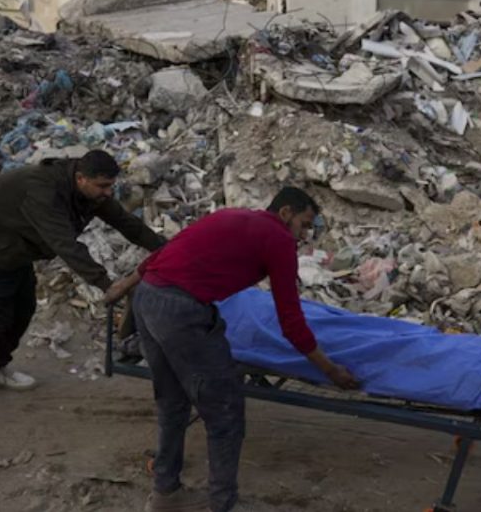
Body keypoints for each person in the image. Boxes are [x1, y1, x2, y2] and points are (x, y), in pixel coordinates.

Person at [104, 186, 358, 512]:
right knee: (224, 414)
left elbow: (163, 253)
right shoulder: (279, 239)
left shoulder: (230, 215)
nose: (305, 234)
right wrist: (330, 369)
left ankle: (165, 493)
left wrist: (122, 287)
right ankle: (223, 505)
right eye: (305, 224)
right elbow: (291, 320)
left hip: (148, 298)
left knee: (172, 402)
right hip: (181, 311)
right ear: (285, 214)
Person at [0, 150, 165, 412]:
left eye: (110, 186)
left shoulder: (91, 192)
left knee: (24, 309)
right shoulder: (44, 192)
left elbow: (128, 224)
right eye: (103, 186)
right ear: (81, 178)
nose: (107, 193)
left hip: (13, 248)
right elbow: (65, 245)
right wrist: (106, 284)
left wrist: (169, 249)